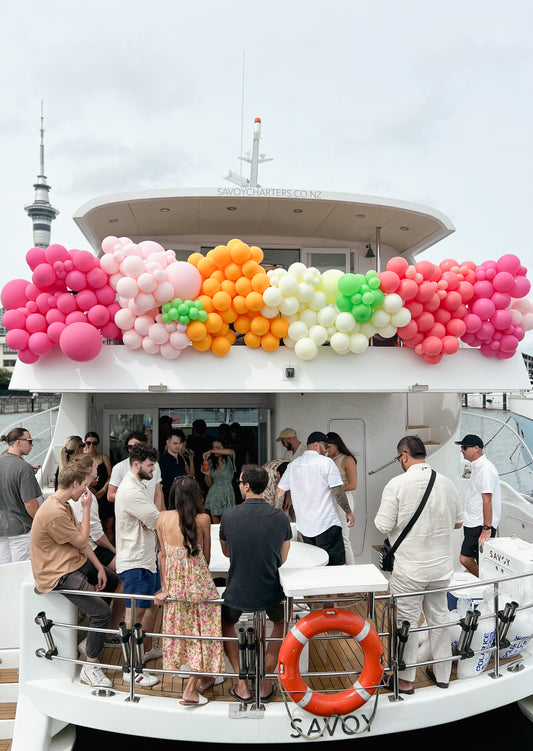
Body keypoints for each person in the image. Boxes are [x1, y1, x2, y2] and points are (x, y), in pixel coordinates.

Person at [374, 435, 463, 694]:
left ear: (403, 455)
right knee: (439, 619)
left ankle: (404, 680)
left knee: (407, 623)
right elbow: (458, 522)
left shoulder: (397, 484)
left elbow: (382, 525)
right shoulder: (447, 483)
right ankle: (443, 674)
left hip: (410, 569)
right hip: (441, 568)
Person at [30, 459, 121, 688]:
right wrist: (88, 507)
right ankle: (90, 667)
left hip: (72, 562)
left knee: (113, 582)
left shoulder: (64, 505)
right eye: (85, 486)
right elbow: (81, 539)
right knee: (101, 613)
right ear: (76, 483)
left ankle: (93, 638)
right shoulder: (54, 512)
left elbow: (80, 544)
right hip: (56, 573)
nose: (86, 490)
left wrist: (100, 567)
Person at [220, 464, 291, 703]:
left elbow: (227, 553)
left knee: (226, 623)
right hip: (269, 590)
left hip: (238, 590)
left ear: (247, 486)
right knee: (280, 623)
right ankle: (264, 681)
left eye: (240, 483)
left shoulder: (229, 515)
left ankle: (242, 684)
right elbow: (283, 558)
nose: (239, 486)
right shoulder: (280, 517)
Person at [154, 477, 224, 707]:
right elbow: (207, 556)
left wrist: (165, 588)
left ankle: (204, 678)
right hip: (198, 583)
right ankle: (192, 689)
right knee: (203, 633)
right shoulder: (202, 519)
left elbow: (162, 555)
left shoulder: (162, 518)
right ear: (196, 496)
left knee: (184, 632)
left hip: (174, 585)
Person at [115, 442, 162, 687]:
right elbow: (156, 519)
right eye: (150, 465)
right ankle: (131, 669)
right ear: (136, 464)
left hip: (144, 559)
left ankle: (141, 656)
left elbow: (151, 519)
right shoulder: (131, 491)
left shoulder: (137, 487)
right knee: (134, 615)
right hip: (137, 563)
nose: (154, 469)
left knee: (144, 611)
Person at [276, 431, 354, 565]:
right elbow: (338, 492)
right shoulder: (326, 463)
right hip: (327, 525)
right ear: (317, 445)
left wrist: (274, 514)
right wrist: (348, 512)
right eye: (326, 446)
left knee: (315, 566)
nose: (327, 450)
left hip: (305, 528)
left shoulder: (293, 465)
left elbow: (279, 491)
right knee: (335, 568)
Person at [455, 433, 501, 577]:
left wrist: (487, 528)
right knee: (481, 560)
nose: (461, 450)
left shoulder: (485, 469)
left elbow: (487, 499)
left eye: (464, 447)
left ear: (476, 448)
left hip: (479, 524)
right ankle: (486, 586)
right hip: (473, 522)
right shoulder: (477, 467)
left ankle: (488, 583)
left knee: (466, 559)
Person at [0, 428, 42, 564]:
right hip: (21, 531)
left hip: (2, 530)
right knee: (21, 572)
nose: (32, 445)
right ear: (18, 442)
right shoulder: (24, 468)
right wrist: (43, 524)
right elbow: (30, 504)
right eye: (29, 441)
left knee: (4, 572)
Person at [108, 432, 164, 511]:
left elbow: (158, 492)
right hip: (130, 515)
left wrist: (157, 515)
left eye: (136, 447)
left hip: (150, 514)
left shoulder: (155, 465)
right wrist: (133, 495)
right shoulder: (119, 468)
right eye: (130, 447)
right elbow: (110, 495)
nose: (132, 450)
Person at [326, 432, 358, 565]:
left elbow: (353, 484)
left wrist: (334, 488)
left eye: (328, 446)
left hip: (343, 500)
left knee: (344, 538)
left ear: (337, 445)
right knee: (332, 537)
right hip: (330, 500)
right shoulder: (327, 459)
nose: (326, 449)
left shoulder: (347, 459)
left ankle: (352, 570)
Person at [84, 432, 113, 543]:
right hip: (90, 496)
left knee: (108, 527)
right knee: (95, 529)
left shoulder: (103, 457)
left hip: (105, 496)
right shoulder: (81, 458)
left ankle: (112, 554)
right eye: (88, 443)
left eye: (94, 443)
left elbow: (110, 476)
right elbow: (78, 478)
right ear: (85, 443)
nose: (91, 446)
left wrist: (104, 490)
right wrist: (89, 488)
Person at [202, 438, 236, 523]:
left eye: (218, 447)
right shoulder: (210, 462)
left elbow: (230, 451)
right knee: (217, 527)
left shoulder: (229, 460)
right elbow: (208, 484)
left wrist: (211, 451)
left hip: (227, 494)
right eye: (214, 447)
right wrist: (208, 475)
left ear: (224, 447)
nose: (215, 450)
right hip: (214, 495)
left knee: (228, 524)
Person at [159, 429, 189, 509]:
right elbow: (160, 486)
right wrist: (163, 507)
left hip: (182, 500)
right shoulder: (162, 461)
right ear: (168, 443)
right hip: (168, 501)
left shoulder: (181, 459)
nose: (178, 446)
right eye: (175, 443)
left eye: (180, 443)